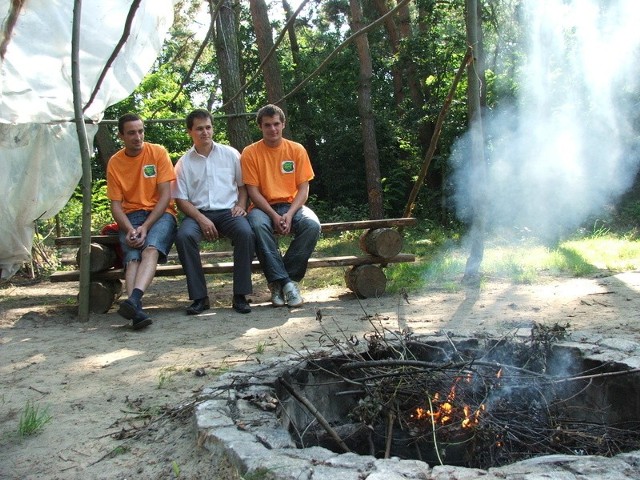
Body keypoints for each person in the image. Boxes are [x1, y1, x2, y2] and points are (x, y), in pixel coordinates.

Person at [172, 109, 255, 315]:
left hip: (229, 211)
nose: (205, 132)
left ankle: (240, 295)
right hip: (197, 212)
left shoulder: (231, 154)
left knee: (246, 233)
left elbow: (243, 187)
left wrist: (241, 206)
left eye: (208, 127)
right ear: (190, 131)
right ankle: (200, 298)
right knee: (184, 236)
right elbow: (181, 200)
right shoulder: (183, 163)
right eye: (199, 129)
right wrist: (201, 219)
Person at [241, 104, 321, 308]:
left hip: (292, 205)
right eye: (267, 125)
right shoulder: (250, 153)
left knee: (312, 225)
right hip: (262, 208)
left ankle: (281, 281)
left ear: (283, 124)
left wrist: (291, 213)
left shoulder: (296, 149)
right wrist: (274, 216)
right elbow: (253, 192)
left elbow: (304, 189)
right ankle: (287, 284)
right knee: (257, 225)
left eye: (276, 124)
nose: (273, 129)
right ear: (260, 127)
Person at [106, 113, 177, 330]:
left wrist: (145, 227)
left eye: (140, 131)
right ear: (121, 136)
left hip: (161, 213)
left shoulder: (157, 152)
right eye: (131, 133)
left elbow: (166, 195)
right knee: (132, 257)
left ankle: (134, 301)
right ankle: (135, 310)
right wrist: (128, 229)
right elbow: (116, 205)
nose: (137, 137)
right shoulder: (115, 162)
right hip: (130, 217)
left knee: (150, 249)